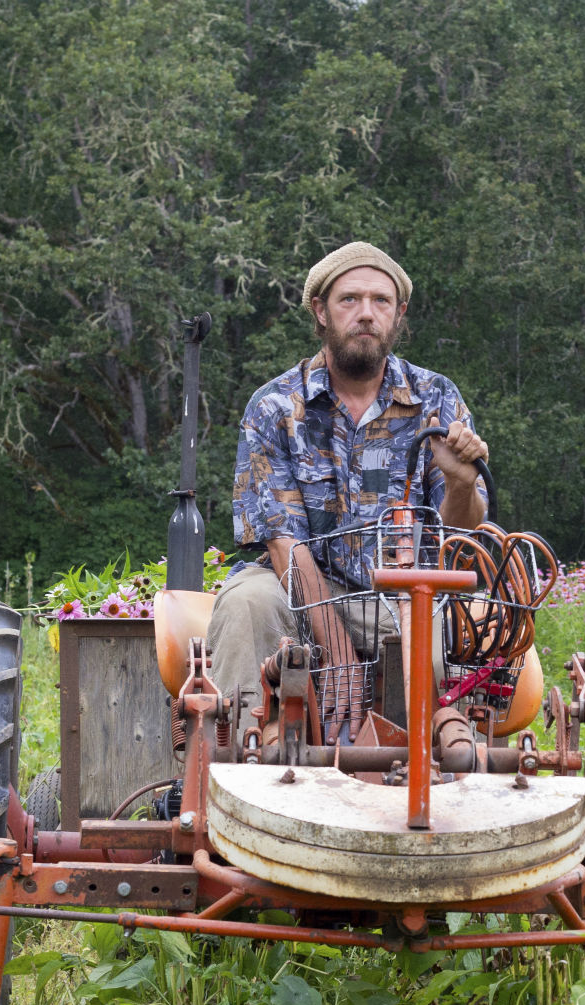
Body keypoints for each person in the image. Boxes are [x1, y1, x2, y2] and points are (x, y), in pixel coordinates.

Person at [208, 241, 489, 719]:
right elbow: (283, 543)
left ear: (398, 314)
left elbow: (458, 534)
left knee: (439, 650)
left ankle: (433, 773)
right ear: (320, 311)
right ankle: (237, 767)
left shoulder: (436, 398)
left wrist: (461, 484)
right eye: (349, 300)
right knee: (245, 605)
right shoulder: (275, 406)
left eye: (380, 301)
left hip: (403, 592)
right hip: (295, 588)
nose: (366, 314)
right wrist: (337, 653)